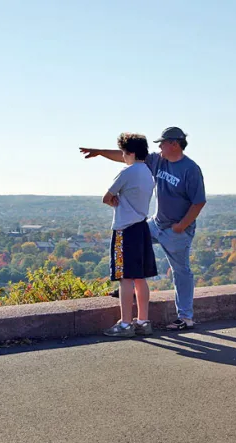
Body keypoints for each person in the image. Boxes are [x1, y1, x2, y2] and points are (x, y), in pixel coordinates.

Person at [80, 126, 206, 330]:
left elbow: (199, 202)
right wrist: (101, 152)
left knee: (181, 271)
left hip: (177, 230)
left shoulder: (190, 169)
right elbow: (130, 157)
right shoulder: (159, 160)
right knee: (132, 242)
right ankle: (127, 288)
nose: (159, 147)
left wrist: (181, 226)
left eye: (162, 143)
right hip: (156, 224)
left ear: (174, 144)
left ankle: (185, 317)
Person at [99, 132, 158, 338]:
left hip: (125, 229)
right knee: (140, 278)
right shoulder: (147, 173)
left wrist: (114, 200)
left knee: (125, 278)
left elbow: (106, 197)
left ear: (130, 153)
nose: (123, 156)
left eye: (124, 153)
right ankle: (143, 321)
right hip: (141, 227)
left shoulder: (128, 172)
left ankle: (125, 324)